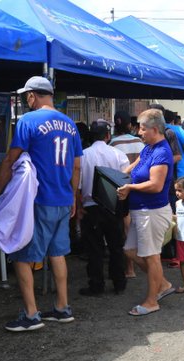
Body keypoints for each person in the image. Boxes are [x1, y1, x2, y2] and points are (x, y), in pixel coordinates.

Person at [0, 76, 82, 331]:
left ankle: (31, 314)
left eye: (26, 97)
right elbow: (76, 166)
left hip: (39, 199)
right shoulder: (70, 124)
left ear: (32, 96)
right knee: (58, 253)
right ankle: (62, 308)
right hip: (63, 198)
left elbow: (10, 160)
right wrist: (73, 196)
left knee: (21, 255)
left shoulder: (27, 121)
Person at [117, 108, 175, 316]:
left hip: (152, 212)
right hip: (141, 211)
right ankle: (163, 284)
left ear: (155, 129)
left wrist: (130, 188)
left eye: (142, 129)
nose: (139, 132)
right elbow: (133, 167)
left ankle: (152, 301)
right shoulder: (148, 148)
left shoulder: (161, 151)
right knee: (130, 251)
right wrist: (116, 178)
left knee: (151, 256)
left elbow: (156, 185)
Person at [77, 120, 130, 296]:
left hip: (90, 207)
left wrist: (78, 206)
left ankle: (96, 285)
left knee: (94, 248)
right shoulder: (118, 155)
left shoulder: (83, 155)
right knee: (116, 246)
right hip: (113, 206)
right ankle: (119, 283)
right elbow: (125, 180)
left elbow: (76, 185)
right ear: (108, 136)